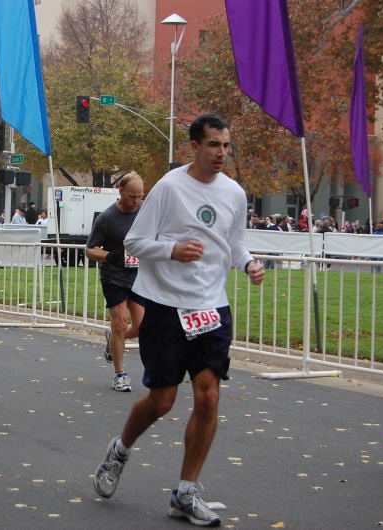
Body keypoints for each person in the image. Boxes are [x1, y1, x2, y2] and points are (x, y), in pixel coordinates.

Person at [92, 115, 265, 527]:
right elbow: (134, 242)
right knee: (162, 400)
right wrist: (171, 251)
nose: (221, 153)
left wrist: (250, 263)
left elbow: (234, 243)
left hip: (210, 308)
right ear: (194, 146)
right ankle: (120, 449)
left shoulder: (235, 193)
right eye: (213, 145)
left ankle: (186, 493)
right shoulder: (169, 188)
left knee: (207, 396)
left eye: (225, 145)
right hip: (166, 306)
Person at [85, 172, 146, 392]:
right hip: (113, 276)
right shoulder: (107, 218)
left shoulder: (145, 211)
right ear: (120, 191)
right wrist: (111, 256)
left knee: (140, 327)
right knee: (120, 322)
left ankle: (113, 338)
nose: (136, 201)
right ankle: (120, 374)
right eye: (132, 196)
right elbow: (90, 250)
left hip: (138, 276)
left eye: (140, 196)